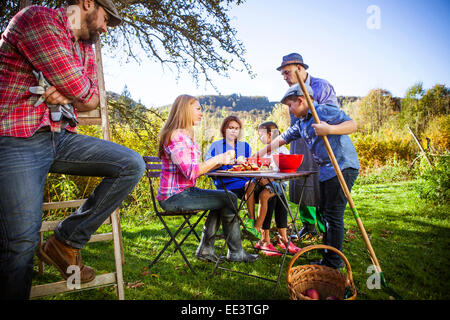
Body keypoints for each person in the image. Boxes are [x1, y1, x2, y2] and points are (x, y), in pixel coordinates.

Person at [0, 0, 146, 300]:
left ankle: (65, 241)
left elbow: (91, 97)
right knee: (20, 243)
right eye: (106, 18)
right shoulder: (38, 19)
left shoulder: (85, 48)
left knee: (131, 164)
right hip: (17, 137)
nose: (106, 28)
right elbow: (81, 90)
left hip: (60, 136)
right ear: (87, 3)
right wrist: (74, 90)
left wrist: (72, 90)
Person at [254, 83, 359, 269]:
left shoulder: (324, 111)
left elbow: (352, 124)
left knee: (333, 216)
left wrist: (329, 130)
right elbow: (282, 138)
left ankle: (333, 263)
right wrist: (258, 154)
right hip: (326, 171)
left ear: (301, 100)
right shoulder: (301, 123)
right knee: (325, 214)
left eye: (290, 105)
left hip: (341, 167)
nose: (289, 110)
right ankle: (328, 258)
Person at [157, 95, 259, 265]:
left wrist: (224, 161)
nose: (202, 113)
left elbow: (197, 170)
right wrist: (218, 158)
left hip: (185, 192)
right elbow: (191, 172)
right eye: (197, 109)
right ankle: (233, 252)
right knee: (229, 198)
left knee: (224, 198)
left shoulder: (185, 136)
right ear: (184, 110)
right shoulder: (177, 136)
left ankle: (209, 250)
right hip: (174, 197)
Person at [277, 52, 339, 240]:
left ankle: (325, 227)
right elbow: (293, 124)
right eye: (283, 74)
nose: (285, 77)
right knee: (300, 186)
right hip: (299, 143)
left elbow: (331, 114)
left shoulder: (321, 86)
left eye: (287, 72)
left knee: (318, 186)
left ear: (300, 68)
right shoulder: (291, 92)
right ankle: (308, 225)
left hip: (319, 144)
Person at [245, 122, 301, 256]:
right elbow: (257, 169)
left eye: (260, 135)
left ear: (270, 135)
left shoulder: (283, 152)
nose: (259, 138)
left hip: (277, 185)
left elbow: (286, 173)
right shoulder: (262, 153)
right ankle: (254, 223)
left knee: (270, 195)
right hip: (262, 184)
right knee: (249, 185)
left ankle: (263, 234)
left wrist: (269, 180)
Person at [205, 116, 251, 199]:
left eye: (237, 128)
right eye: (231, 128)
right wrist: (221, 161)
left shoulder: (245, 146)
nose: (234, 131)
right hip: (227, 184)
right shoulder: (216, 145)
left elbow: (251, 166)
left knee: (271, 192)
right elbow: (207, 165)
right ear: (224, 129)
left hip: (246, 182)